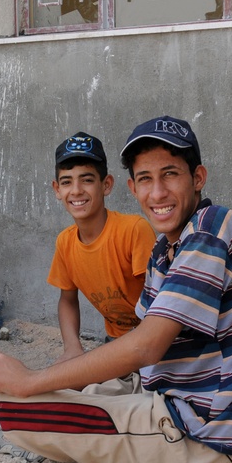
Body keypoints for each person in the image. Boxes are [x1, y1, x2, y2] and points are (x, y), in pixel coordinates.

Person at [0, 116, 232, 463]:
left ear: (198, 178)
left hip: (215, 445)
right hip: (196, 407)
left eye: (170, 174)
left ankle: (8, 425)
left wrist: (30, 382)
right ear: (132, 188)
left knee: (22, 407)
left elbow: (144, 345)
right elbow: (147, 352)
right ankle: (30, 402)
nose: (157, 193)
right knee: (81, 389)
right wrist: (73, 373)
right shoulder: (168, 248)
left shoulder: (210, 229)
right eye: (146, 180)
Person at [49, 132, 155, 363]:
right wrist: (72, 348)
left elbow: (159, 301)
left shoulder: (134, 230)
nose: (76, 190)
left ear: (106, 185)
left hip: (157, 343)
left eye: (87, 179)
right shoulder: (65, 242)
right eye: (67, 182)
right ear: (57, 189)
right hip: (116, 342)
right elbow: (67, 299)